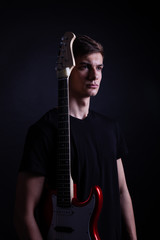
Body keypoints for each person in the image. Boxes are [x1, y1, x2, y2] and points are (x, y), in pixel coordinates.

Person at [14, 34, 137, 240]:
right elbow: (23, 214)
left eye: (99, 68)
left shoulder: (110, 128)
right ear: (67, 70)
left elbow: (122, 192)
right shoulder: (44, 130)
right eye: (84, 66)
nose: (94, 76)